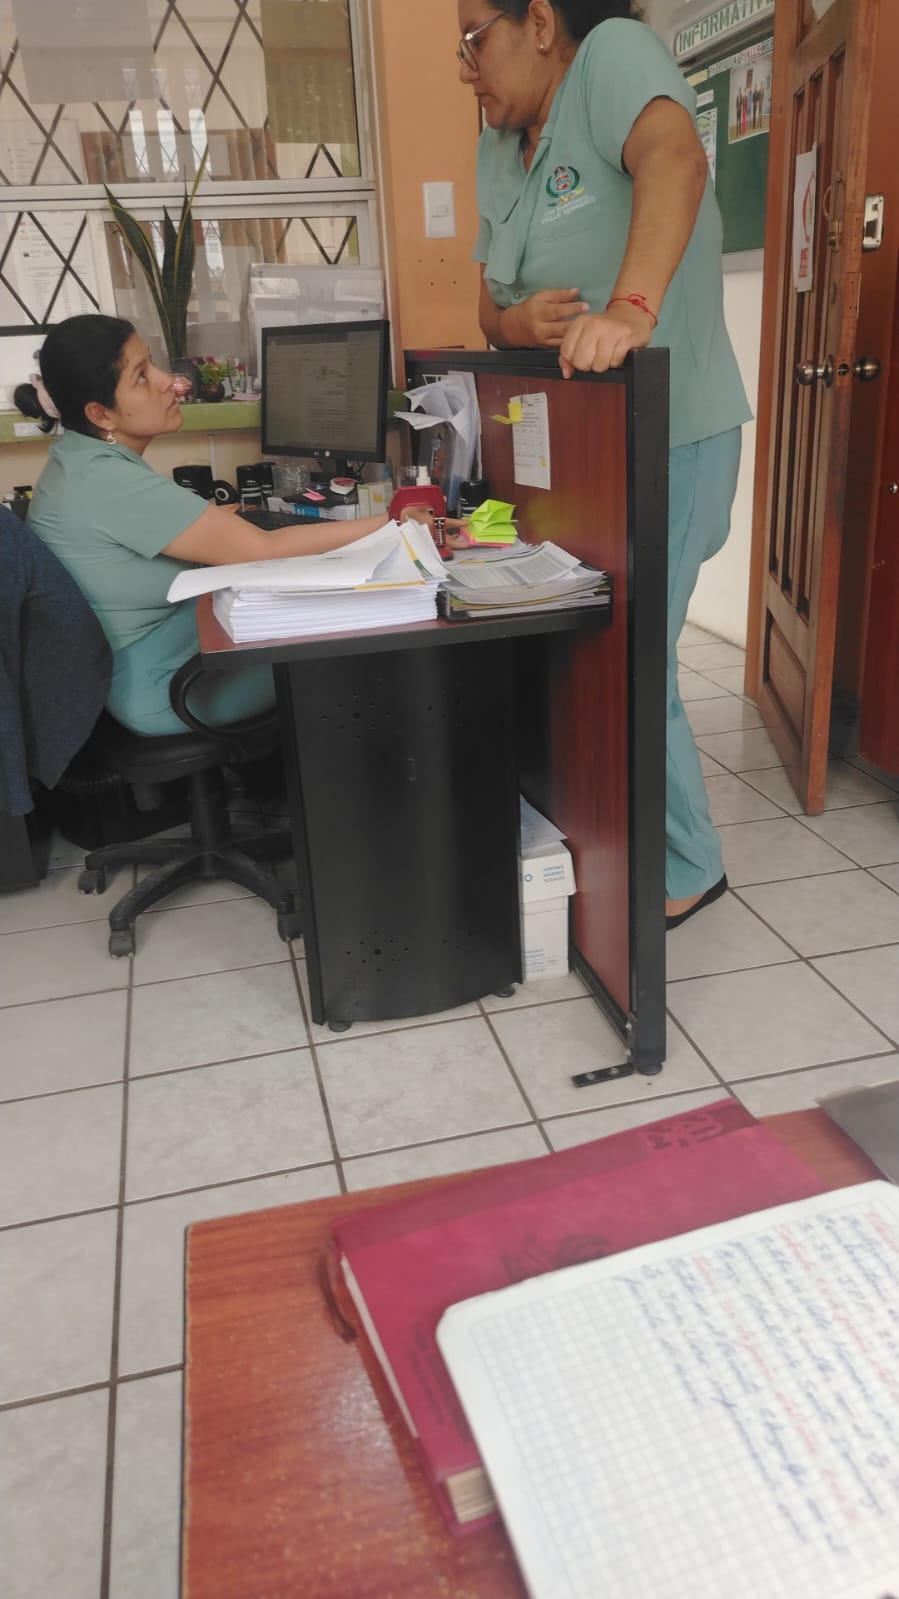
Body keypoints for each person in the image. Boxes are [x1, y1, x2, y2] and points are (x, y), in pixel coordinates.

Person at [458, 0, 751, 928]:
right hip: (573, 448)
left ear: (540, 22)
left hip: (671, 428)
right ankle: (608, 832)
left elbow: (676, 160)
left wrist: (630, 308)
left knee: (635, 654)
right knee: (589, 649)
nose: (465, 66)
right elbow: (486, 307)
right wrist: (516, 323)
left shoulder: (612, 58)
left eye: (474, 39)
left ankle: (690, 862)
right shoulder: (495, 146)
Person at [21, 316, 450, 738]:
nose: (168, 381)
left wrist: (216, 528)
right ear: (101, 414)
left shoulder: (76, 458)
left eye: (152, 362)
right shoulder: (107, 480)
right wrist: (394, 520)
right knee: (366, 640)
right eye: (141, 376)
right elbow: (264, 549)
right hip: (165, 683)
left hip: (151, 655)